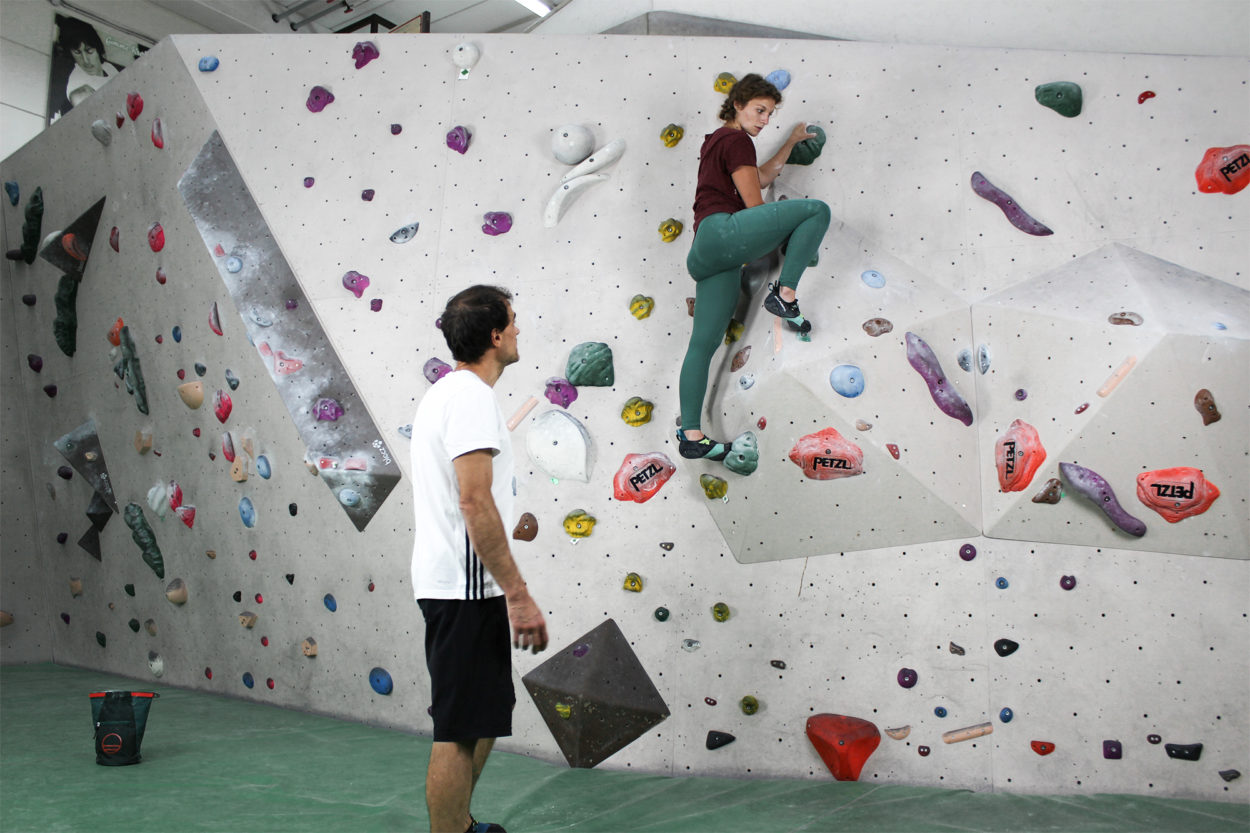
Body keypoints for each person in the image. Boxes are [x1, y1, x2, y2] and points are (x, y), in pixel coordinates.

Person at [409, 285, 548, 833]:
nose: (518, 330)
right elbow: (474, 500)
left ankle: (461, 824)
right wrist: (518, 593)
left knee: (485, 713)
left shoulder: (455, 394)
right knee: (461, 729)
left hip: (465, 585)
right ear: (494, 335)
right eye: (512, 321)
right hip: (464, 588)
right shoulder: (468, 398)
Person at [677, 73, 831, 462]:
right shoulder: (735, 140)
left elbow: (759, 177)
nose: (765, 120)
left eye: (770, 114)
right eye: (759, 111)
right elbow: (754, 206)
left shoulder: (717, 143)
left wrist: (789, 144)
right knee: (816, 211)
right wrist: (794, 239)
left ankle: (692, 434)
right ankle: (786, 294)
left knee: (702, 345)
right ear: (737, 105)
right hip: (723, 232)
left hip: (708, 254)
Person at [55, 17, 121, 115]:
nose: (85, 60)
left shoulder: (108, 67)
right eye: (77, 53)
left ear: (97, 48)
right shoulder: (77, 87)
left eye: (89, 51)